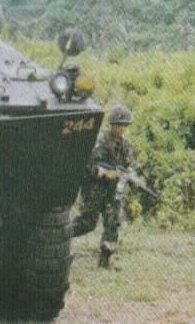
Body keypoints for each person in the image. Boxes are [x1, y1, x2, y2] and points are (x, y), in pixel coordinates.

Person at [71, 104, 137, 268]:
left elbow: (129, 166)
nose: (122, 129)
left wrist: (132, 177)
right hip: (94, 191)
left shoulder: (125, 146)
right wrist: (103, 173)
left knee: (112, 223)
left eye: (125, 125)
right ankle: (57, 238)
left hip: (113, 192)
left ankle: (104, 261)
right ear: (112, 125)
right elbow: (82, 166)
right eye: (119, 125)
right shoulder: (98, 142)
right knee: (86, 224)